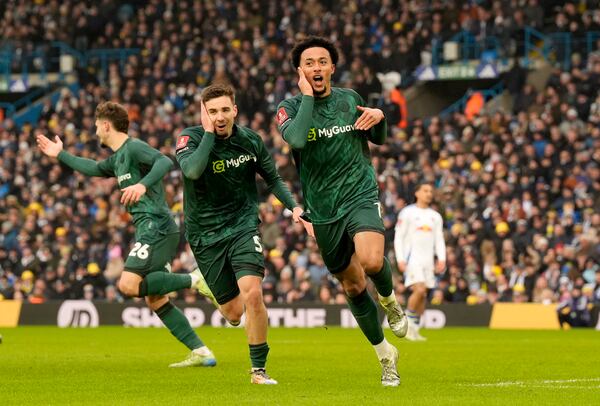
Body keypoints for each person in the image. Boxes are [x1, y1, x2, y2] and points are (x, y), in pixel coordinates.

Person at [36, 101, 215, 367]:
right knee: (155, 299)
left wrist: (142, 186)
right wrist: (60, 154)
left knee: (127, 285)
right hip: (152, 228)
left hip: (157, 226)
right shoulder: (118, 158)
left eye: (97, 126)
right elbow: (94, 168)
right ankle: (202, 352)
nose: (95, 131)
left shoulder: (133, 147)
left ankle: (194, 280)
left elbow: (164, 161)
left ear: (106, 125)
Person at [276, 36, 408, 387]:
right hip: (323, 210)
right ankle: (385, 356)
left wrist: (379, 117)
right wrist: (306, 96)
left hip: (359, 194)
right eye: (309, 63)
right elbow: (298, 140)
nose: (316, 67)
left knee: (372, 262)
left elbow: (377, 137)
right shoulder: (288, 108)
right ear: (299, 70)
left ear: (332, 67)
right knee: (352, 286)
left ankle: (391, 301)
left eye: (322, 61)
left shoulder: (350, 99)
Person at [175, 84, 304, 385]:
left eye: (224, 110)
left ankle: (258, 370)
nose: (219, 116)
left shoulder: (249, 140)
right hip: (205, 233)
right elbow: (193, 171)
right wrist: (208, 134)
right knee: (233, 314)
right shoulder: (188, 139)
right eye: (212, 111)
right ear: (204, 113)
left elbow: (272, 178)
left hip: (243, 224)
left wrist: (294, 208)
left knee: (254, 293)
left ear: (234, 110)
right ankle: (204, 282)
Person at [394, 182, 446, 341]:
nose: (429, 193)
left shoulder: (435, 216)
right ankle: (407, 324)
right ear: (417, 193)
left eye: (431, 191)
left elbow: (439, 239)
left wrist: (441, 258)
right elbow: (399, 237)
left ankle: (415, 329)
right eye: (425, 190)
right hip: (412, 259)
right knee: (420, 290)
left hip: (428, 261)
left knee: (423, 296)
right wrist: (400, 259)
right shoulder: (407, 213)